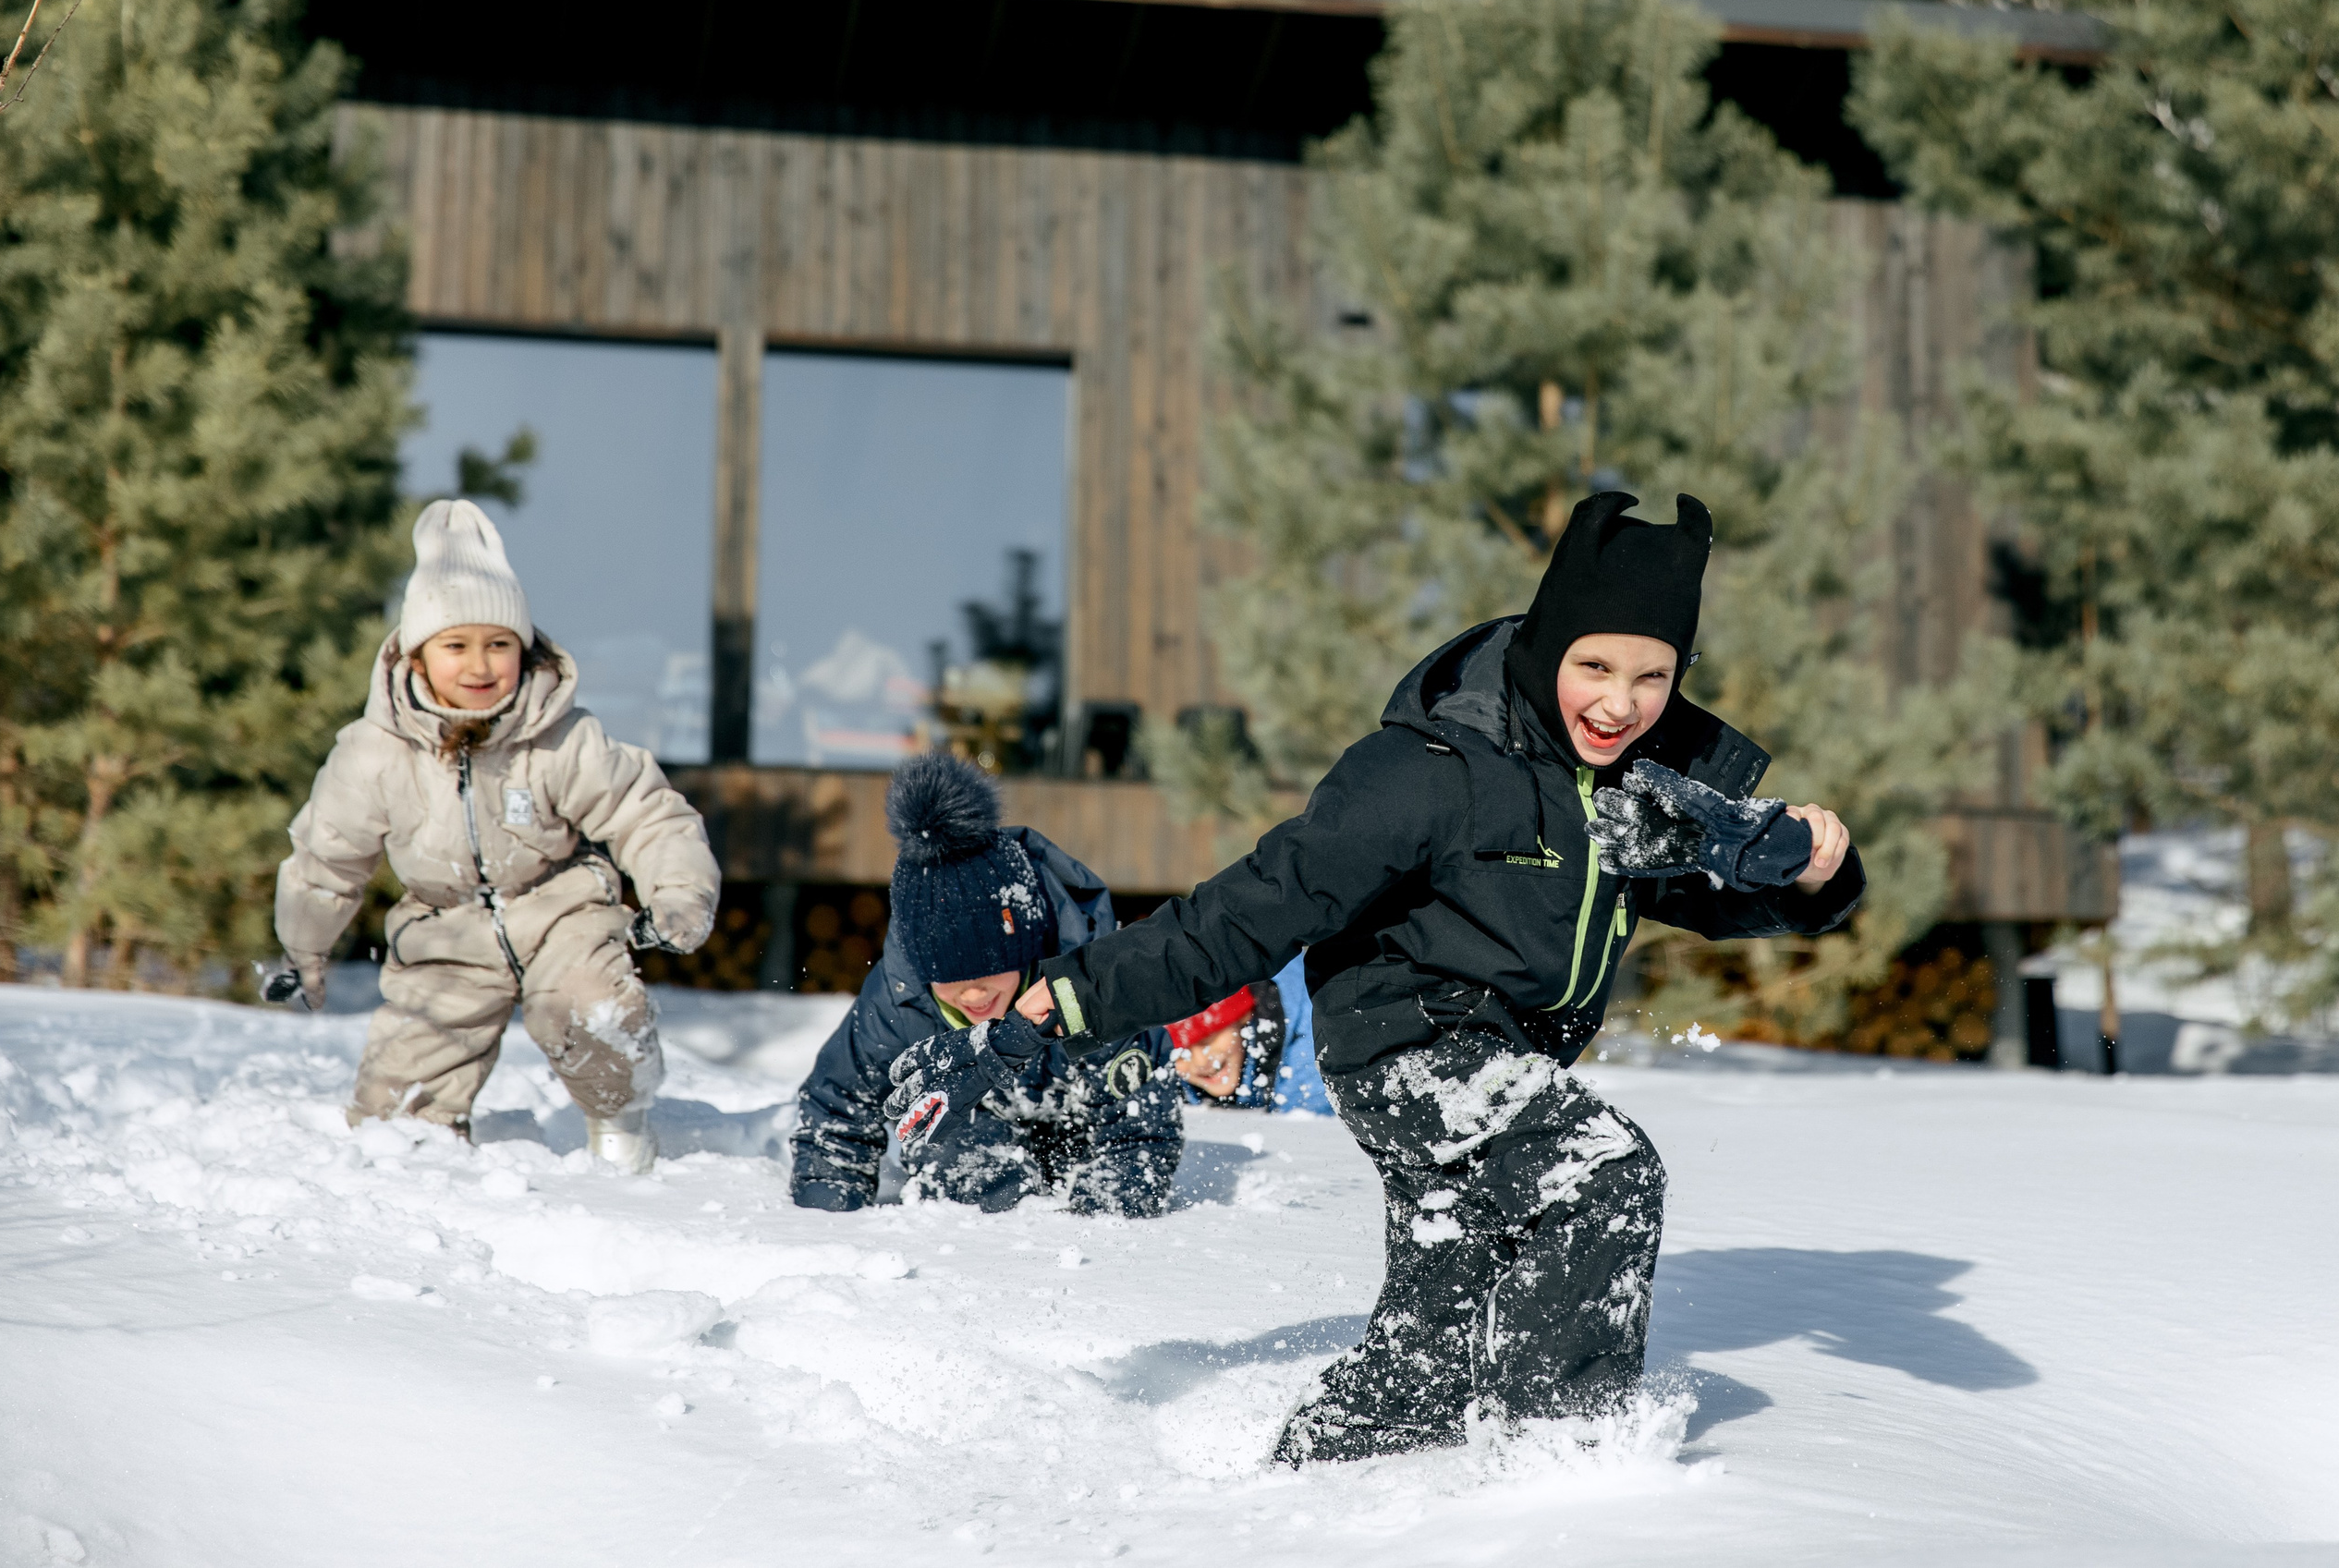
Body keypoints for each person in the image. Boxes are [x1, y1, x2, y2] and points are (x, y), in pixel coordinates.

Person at [907, 491, 1862, 1465]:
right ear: (1544, 649)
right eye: (1595, 666)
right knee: (1601, 1174)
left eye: (1652, 674)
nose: (1621, 701)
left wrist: (1812, 875)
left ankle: (1307, 1476)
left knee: (1442, 1328)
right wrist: (1067, 996)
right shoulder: (1429, 769)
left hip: (1501, 1056)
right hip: (1406, 1042)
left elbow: (1709, 892)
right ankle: (1564, 1462)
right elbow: (1246, 912)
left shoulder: (1628, 785)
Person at [264, 501, 719, 1174]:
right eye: (456, 646)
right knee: (398, 1105)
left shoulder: (560, 737)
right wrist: (304, 947)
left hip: (559, 907)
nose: (480, 666)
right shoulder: (374, 753)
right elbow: (326, 857)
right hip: (443, 928)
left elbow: (646, 812)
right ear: (416, 658)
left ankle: (622, 1125)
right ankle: (420, 1170)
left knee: (589, 1008)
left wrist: (679, 892)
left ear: (524, 648)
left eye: (499, 645)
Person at [788, 752, 1182, 1217]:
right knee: (943, 1135)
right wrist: (829, 1220)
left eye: (991, 970)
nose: (974, 995)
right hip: (970, 1160)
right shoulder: (901, 1003)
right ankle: (993, 1231)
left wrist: (1098, 1224)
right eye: (952, 980)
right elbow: (836, 1110)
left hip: (1076, 1145)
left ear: (1026, 946)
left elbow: (1139, 1130)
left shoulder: (1089, 987)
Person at [1167, 954, 1332, 1115]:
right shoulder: (1173, 1085)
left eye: (1208, 1040)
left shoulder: (1317, 1055)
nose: (1201, 1061)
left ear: (1243, 1016)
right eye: (1181, 1053)